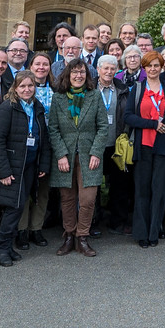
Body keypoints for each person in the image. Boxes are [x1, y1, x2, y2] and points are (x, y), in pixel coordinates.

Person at [0, 72, 51, 266]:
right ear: (15, 88)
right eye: (22, 86)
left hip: (29, 165)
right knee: (14, 207)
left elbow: (44, 138)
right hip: (11, 166)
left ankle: (7, 247)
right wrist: (4, 171)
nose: (27, 89)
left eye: (30, 86)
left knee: (19, 205)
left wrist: (43, 164)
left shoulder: (37, 107)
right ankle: (1, 249)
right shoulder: (6, 108)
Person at [45, 58, 105, 256]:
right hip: (65, 155)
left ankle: (82, 237)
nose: (78, 76)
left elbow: (103, 127)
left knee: (88, 199)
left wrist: (96, 152)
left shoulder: (95, 96)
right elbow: (53, 128)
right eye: (75, 72)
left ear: (87, 75)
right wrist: (61, 154)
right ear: (68, 75)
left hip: (90, 155)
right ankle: (69, 235)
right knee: (67, 198)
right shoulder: (58, 98)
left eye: (82, 72)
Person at [127, 52, 165, 248]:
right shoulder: (138, 89)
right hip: (143, 146)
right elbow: (128, 117)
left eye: (156, 65)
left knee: (159, 191)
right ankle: (141, 233)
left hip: (164, 147)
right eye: (149, 66)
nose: (152, 69)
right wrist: (152, 124)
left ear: (162, 67)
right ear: (144, 68)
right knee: (142, 191)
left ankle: (154, 232)